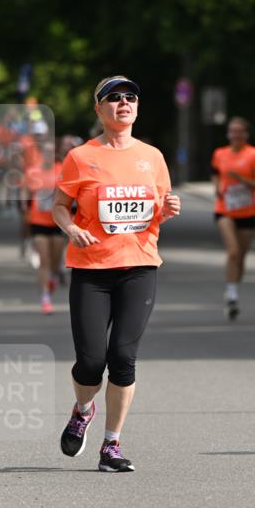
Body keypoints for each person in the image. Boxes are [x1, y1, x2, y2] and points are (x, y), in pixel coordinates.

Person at [52, 75, 181, 472]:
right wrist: (71, 227)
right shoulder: (80, 157)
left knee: (123, 357)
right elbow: (59, 205)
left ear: (137, 108)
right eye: (113, 98)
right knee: (90, 363)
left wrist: (168, 209)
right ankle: (83, 408)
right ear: (99, 109)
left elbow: (155, 208)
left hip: (139, 267)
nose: (123, 103)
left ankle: (111, 446)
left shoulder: (153, 157)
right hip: (91, 270)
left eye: (130, 97)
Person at [211, 117, 255, 320]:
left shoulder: (254, 155)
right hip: (224, 210)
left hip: (247, 212)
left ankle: (232, 286)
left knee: (241, 257)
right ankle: (232, 297)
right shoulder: (220, 154)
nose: (235, 135)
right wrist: (217, 187)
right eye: (232, 131)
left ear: (246, 134)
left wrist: (241, 179)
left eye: (239, 131)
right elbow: (215, 173)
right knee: (233, 252)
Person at [22, 139, 65, 313]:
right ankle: (45, 297)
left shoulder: (62, 170)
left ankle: (53, 277)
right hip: (38, 220)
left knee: (55, 261)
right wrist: (25, 210)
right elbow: (26, 194)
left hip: (57, 221)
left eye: (51, 151)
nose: (47, 154)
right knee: (44, 260)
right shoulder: (33, 171)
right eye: (45, 151)